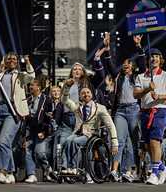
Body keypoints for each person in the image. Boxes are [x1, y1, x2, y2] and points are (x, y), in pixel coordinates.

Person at [0, 52, 35, 184]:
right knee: (5, 144)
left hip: (13, 112)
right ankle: (11, 172)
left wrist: (27, 63)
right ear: (4, 61)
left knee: (4, 141)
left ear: (17, 61)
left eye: (14, 59)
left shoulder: (20, 76)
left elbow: (32, 77)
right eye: (8, 58)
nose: (11, 60)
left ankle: (2, 171)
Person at [103, 32, 146, 182]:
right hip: (120, 111)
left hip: (134, 110)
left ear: (132, 66)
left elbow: (142, 65)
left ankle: (133, 170)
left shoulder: (137, 76)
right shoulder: (119, 76)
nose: (125, 64)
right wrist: (107, 48)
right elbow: (110, 66)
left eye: (128, 63)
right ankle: (114, 170)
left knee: (134, 142)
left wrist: (139, 46)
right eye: (124, 63)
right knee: (119, 141)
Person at [61, 78, 118, 175]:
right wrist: (67, 87)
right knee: (68, 140)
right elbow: (64, 100)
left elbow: (110, 125)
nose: (86, 94)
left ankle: (74, 167)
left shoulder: (100, 108)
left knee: (74, 141)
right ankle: (68, 166)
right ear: (80, 96)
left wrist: (114, 141)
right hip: (78, 133)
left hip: (91, 135)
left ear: (92, 95)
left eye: (88, 92)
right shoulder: (77, 107)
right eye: (83, 93)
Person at [134, 48, 166, 185]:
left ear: (160, 59)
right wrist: (148, 88)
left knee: (154, 141)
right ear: (147, 60)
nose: (153, 58)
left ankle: (154, 173)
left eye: (156, 56)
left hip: (159, 110)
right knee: (147, 145)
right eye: (151, 56)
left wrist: (159, 96)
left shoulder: (165, 75)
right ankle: (162, 168)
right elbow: (135, 94)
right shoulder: (141, 76)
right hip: (145, 112)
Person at [24, 79, 53, 183]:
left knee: (39, 152)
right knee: (28, 152)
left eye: (32, 85)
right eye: (30, 85)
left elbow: (49, 118)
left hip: (41, 130)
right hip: (29, 129)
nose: (30, 87)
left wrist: (44, 131)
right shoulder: (27, 100)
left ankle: (47, 168)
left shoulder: (47, 99)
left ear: (39, 87)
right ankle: (31, 174)